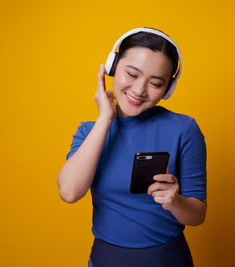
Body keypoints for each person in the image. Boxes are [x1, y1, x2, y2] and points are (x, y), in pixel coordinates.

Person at [57, 27, 207, 267]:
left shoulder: (184, 129)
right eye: (132, 74)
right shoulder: (89, 131)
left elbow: (198, 215)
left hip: (167, 260)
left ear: (168, 88)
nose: (139, 90)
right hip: (106, 259)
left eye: (156, 83)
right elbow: (69, 192)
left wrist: (175, 202)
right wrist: (106, 118)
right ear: (112, 67)